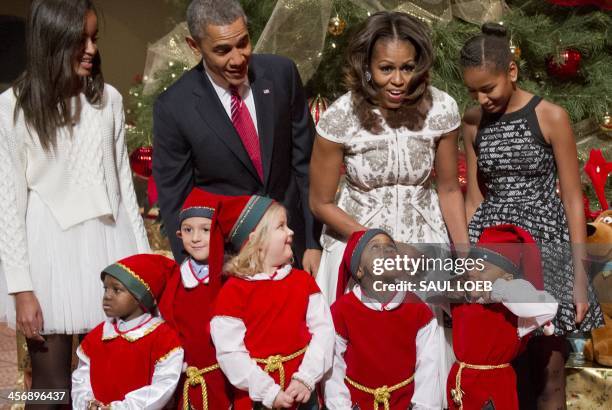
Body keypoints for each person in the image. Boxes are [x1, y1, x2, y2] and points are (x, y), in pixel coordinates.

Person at [0, 0, 149, 400]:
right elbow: (9, 207)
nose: (91, 49)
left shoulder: (109, 102)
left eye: (94, 38)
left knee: (106, 382)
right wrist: (21, 289)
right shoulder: (12, 108)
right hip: (48, 258)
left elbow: (122, 195)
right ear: (50, 42)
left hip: (108, 251)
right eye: (78, 40)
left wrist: (144, 267)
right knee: (49, 389)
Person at [460, 22, 603, 409]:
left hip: (547, 247)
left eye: (488, 88)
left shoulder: (550, 116)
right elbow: (474, 198)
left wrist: (578, 274)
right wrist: (470, 261)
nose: (481, 98)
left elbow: (574, 199)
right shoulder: (473, 122)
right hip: (495, 253)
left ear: (512, 71)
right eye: (473, 90)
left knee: (548, 373)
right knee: (503, 367)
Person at [152, 0, 321, 272]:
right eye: (222, 50)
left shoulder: (281, 75)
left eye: (243, 43)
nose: (238, 58)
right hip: (230, 259)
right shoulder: (174, 107)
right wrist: (196, 272)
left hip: (295, 248)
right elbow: (176, 202)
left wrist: (314, 242)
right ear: (195, 46)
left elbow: (306, 167)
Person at [210, 195, 334, 410]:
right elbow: (230, 352)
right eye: (281, 226)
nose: (291, 232)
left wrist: (305, 378)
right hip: (255, 400)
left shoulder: (303, 282)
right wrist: (268, 390)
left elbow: (324, 332)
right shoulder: (233, 292)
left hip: (302, 396)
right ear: (256, 241)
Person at [323, 229, 442, 410]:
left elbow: (429, 371)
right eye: (375, 247)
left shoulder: (419, 312)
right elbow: (334, 372)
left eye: (391, 248)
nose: (386, 251)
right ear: (359, 270)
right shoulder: (341, 312)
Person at [447, 224, 558, 410]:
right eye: (471, 266)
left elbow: (548, 306)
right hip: (460, 387)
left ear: (507, 277)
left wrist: (496, 290)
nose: (473, 272)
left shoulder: (514, 304)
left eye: (483, 269)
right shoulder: (462, 297)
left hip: (493, 390)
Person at [71, 254, 183, 410]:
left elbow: (164, 384)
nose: (107, 296)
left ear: (140, 298)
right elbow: (81, 378)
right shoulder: (97, 336)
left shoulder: (163, 337)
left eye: (117, 290)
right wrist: (87, 402)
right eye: (106, 289)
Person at [158, 188, 233, 409]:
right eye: (188, 230)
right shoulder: (175, 280)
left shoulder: (231, 279)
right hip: (185, 378)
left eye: (205, 230)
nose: (196, 238)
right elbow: (166, 324)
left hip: (226, 379)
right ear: (179, 234)